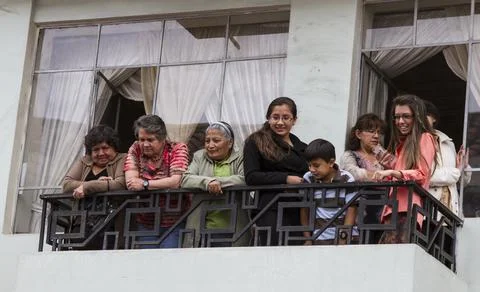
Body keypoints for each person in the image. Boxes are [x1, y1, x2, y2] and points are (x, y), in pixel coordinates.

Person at [243, 97, 308, 246]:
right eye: (275, 117)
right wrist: (285, 178)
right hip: (271, 207)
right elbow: (251, 176)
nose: (280, 122)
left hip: (300, 209)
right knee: (274, 254)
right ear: (268, 118)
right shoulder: (256, 141)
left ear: (294, 120)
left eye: (286, 118)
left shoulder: (302, 146)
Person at [373, 94, 437, 244]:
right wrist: (389, 167)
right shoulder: (403, 144)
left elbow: (421, 174)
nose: (400, 121)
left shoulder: (425, 137)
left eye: (406, 116)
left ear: (417, 117)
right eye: (397, 117)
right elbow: (404, 171)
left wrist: (393, 172)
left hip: (407, 209)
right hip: (393, 208)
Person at [124, 114, 189, 248]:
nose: (145, 144)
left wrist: (146, 184)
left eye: (150, 140)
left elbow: (176, 181)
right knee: (147, 263)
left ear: (162, 139)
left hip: (175, 221)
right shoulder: (136, 148)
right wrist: (161, 183)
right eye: (142, 139)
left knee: (168, 262)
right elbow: (131, 181)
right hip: (146, 221)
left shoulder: (177, 148)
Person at [181, 121, 249, 247]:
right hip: (202, 228)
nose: (211, 145)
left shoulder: (241, 157)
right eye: (207, 141)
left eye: (216, 140)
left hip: (234, 227)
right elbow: (185, 179)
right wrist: (207, 182)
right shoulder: (199, 156)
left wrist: (218, 182)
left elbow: (245, 179)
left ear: (230, 143)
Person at [63, 125, 126, 249]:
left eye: (105, 148)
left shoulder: (122, 159)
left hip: (109, 225)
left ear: (114, 147)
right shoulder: (84, 161)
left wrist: (88, 187)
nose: (101, 153)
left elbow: (120, 184)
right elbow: (66, 185)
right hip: (80, 224)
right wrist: (98, 183)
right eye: (96, 149)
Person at [301, 139, 358, 245]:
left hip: (347, 239)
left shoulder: (346, 178)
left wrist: (343, 238)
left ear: (331, 162)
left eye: (316, 165)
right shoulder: (308, 178)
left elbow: (352, 210)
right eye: (309, 165)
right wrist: (307, 238)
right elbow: (304, 210)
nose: (312, 169)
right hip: (320, 238)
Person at [340, 113, 386, 242]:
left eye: (378, 132)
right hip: (360, 211)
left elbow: (398, 168)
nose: (376, 136)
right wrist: (383, 176)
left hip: (383, 211)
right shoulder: (350, 155)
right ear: (358, 134)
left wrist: (380, 152)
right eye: (371, 132)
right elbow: (353, 174)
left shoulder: (381, 156)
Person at [424, 101, 471, 216]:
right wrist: (457, 171)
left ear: (433, 118)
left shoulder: (447, 142)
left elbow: (460, 182)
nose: (420, 119)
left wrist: (464, 167)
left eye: (424, 115)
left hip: (451, 212)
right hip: (427, 211)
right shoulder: (415, 141)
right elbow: (425, 176)